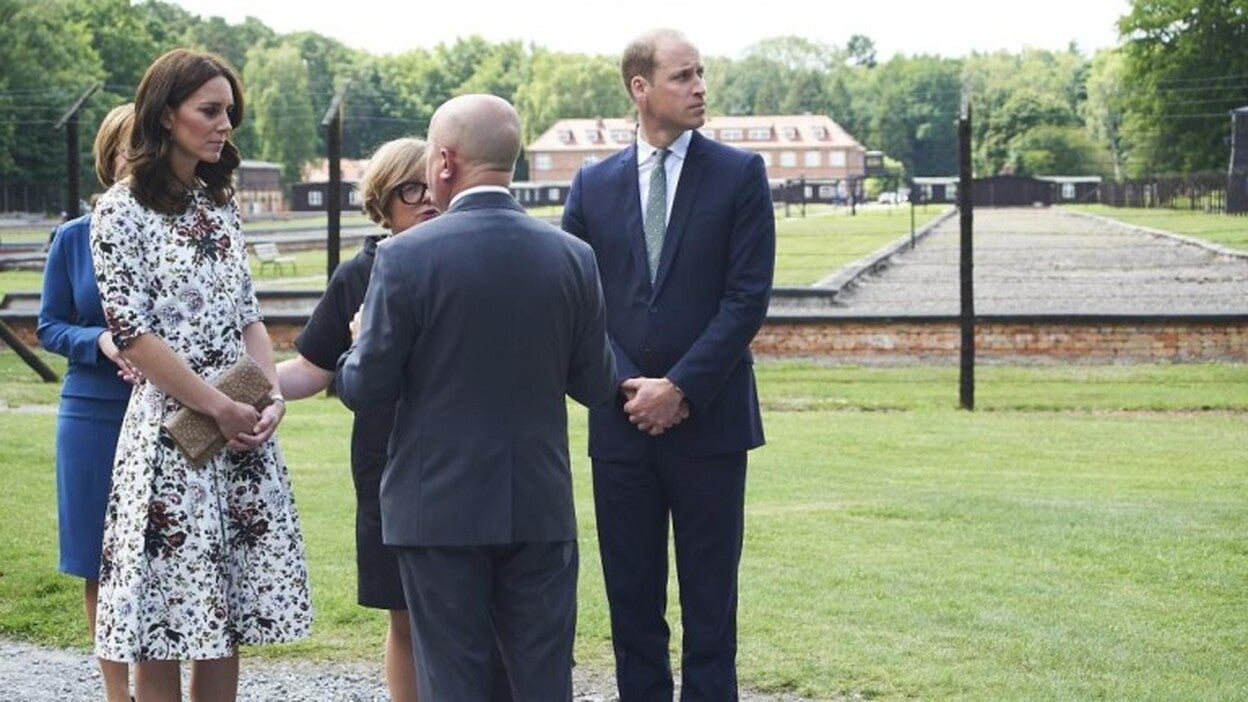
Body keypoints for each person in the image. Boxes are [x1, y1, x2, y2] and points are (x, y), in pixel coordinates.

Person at [337, 93, 616, 701]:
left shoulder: (404, 257)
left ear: (443, 161)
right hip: (539, 505)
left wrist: (356, 345)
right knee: (543, 680)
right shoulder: (574, 257)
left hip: (437, 507)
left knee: (453, 680)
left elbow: (366, 387)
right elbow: (596, 384)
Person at [89, 48, 312, 702]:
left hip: (238, 430)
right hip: (171, 436)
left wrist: (267, 398)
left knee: (227, 610)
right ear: (165, 115)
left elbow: (248, 313)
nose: (224, 126)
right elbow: (132, 331)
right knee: (162, 616)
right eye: (210, 111)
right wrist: (216, 404)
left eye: (229, 113)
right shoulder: (119, 210)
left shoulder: (218, 202)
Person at [561, 28, 776, 701]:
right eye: (683, 76)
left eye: (702, 74)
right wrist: (632, 386)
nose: (700, 87)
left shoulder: (741, 175)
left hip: (710, 425)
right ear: (640, 88)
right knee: (632, 606)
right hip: (621, 427)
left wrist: (679, 388)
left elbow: (747, 300)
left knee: (712, 607)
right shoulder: (591, 186)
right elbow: (580, 300)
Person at [275, 137, 436, 702]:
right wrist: (222, 388)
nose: (427, 199)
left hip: (457, 460)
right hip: (385, 465)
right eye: (409, 189)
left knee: (474, 614)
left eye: (433, 184)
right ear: (382, 199)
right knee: (404, 615)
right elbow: (310, 369)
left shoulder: (466, 261)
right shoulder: (360, 273)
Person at [37, 102, 138, 702]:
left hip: (170, 411)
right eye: (131, 149)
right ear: (109, 156)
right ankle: (116, 691)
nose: (140, 161)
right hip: (93, 413)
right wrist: (96, 340)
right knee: (98, 559)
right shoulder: (73, 238)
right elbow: (50, 325)